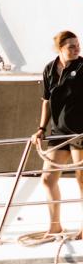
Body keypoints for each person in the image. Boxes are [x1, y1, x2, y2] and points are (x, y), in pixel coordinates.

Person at [30, 30, 83, 239]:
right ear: (59, 49)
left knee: (82, 181)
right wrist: (41, 129)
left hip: (80, 133)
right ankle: (55, 227)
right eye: (71, 46)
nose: (77, 49)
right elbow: (46, 102)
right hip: (58, 133)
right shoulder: (49, 70)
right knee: (48, 179)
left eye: (77, 45)